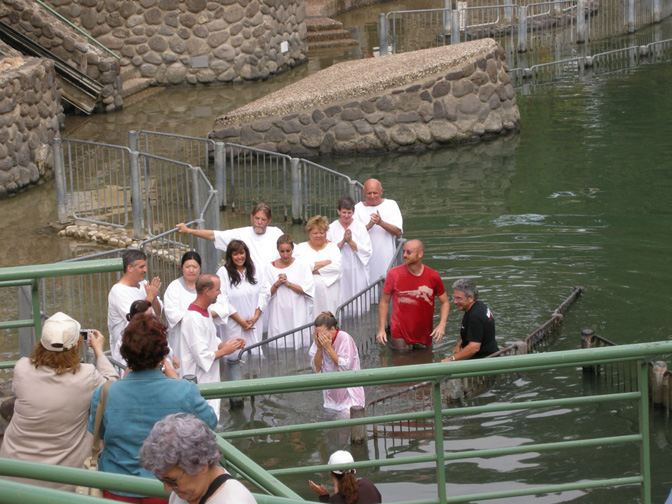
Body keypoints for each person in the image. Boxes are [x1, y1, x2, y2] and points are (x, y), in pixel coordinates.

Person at [89, 313, 217, 503]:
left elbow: (98, 432)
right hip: (167, 487)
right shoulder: (183, 390)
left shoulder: (106, 392)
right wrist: (176, 381)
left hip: (117, 486)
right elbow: (210, 422)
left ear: (125, 352)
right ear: (161, 352)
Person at [0, 312, 118, 492]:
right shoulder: (87, 375)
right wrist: (100, 352)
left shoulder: (22, 368)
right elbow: (113, 389)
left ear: (41, 343)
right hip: (65, 481)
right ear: (77, 345)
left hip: (13, 473)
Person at [140, 413, 257, 504]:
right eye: (162, 479)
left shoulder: (233, 501)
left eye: (172, 481)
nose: (167, 488)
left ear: (202, 465)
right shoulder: (185, 494)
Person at [180, 273, 245, 419]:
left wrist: (227, 344)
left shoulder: (206, 311)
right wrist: (225, 351)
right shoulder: (193, 318)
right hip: (199, 379)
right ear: (207, 291)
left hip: (210, 376)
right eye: (217, 289)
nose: (220, 292)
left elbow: (211, 338)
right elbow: (201, 355)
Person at [376, 239, 450, 351]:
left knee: (425, 362)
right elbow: (384, 301)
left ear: (420, 254)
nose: (404, 255)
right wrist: (381, 329)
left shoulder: (433, 276)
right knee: (401, 362)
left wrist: (442, 325)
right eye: (403, 252)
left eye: (409, 252)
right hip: (399, 331)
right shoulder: (394, 274)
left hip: (424, 332)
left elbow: (445, 302)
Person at [175, 203, 283, 278]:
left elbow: (292, 251)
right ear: (251, 217)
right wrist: (188, 230)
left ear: (268, 221)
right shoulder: (241, 234)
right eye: (257, 218)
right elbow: (214, 235)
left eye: (263, 219)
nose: (259, 222)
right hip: (250, 282)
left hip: (274, 280)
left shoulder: (276, 233)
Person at [108, 249, 162, 364]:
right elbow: (135, 318)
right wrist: (150, 296)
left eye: (145, 266)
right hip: (128, 350)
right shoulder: (118, 291)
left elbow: (158, 313)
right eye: (141, 267)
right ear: (129, 268)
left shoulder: (143, 284)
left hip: (148, 345)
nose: (145, 270)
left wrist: (155, 297)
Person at [262, 234, 315, 348]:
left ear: (292, 250)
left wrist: (288, 284)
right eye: (282, 251)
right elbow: (266, 294)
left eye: (288, 251)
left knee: (299, 343)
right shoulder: (268, 268)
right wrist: (277, 284)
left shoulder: (302, 265)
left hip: (298, 311)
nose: (285, 255)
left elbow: (308, 290)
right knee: (278, 344)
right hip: (278, 313)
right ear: (277, 250)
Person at [216, 240, 265, 356]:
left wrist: (256, 316)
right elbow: (222, 299)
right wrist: (240, 321)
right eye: (235, 254)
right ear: (230, 256)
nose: (239, 257)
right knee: (235, 355)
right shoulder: (223, 272)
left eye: (242, 253)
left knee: (255, 354)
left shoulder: (256, 269)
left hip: (254, 323)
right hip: (234, 324)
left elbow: (264, 292)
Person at [309, 312, 365, 412]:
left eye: (323, 335)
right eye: (317, 335)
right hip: (331, 398)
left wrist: (328, 348)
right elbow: (316, 368)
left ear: (333, 330)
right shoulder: (318, 342)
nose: (320, 338)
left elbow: (346, 366)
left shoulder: (344, 338)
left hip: (350, 396)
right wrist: (319, 348)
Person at [354, 179, 403, 284]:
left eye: (375, 193)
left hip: (386, 257)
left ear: (381, 192)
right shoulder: (357, 208)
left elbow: (398, 232)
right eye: (369, 193)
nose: (372, 196)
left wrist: (381, 223)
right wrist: (368, 226)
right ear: (363, 193)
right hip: (365, 259)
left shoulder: (391, 205)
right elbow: (354, 235)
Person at [327, 196, 372, 306]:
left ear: (353, 212)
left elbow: (367, 250)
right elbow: (328, 250)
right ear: (338, 211)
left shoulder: (360, 227)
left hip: (357, 266)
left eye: (349, 212)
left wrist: (351, 242)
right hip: (340, 266)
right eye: (344, 212)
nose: (346, 216)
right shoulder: (331, 228)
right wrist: (343, 241)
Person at [294, 215, 342, 314]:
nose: (318, 236)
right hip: (309, 294)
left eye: (321, 232)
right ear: (309, 233)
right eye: (315, 233)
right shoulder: (300, 248)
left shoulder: (332, 247)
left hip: (330, 293)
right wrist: (325, 263)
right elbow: (299, 268)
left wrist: (312, 269)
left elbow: (337, 268)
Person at [442, 278, 498, 362]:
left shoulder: (474, 316)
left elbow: (474, 347)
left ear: (471, 298)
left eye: (459, 298)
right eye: (454, 297)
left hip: (483, 361)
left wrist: (451, 359)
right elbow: (475, 333)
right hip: (493, 353)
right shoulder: (479, 306)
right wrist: (458, 346)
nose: (455, 302)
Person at [163, 251, 201, 371]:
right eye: (187, 267)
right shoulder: (174, 287)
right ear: (181, 268)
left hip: (202, 337)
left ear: (200, 268)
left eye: (194, 267)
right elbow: (173, 314)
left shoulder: (205, 286)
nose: (191, 270)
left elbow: (218, 309)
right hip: (180, 340)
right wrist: (199, 318)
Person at [308, 450, 381, 504]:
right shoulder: (367, 485)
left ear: (331, 473)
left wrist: (324, 497)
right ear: (353, 470)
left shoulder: (335, 500)